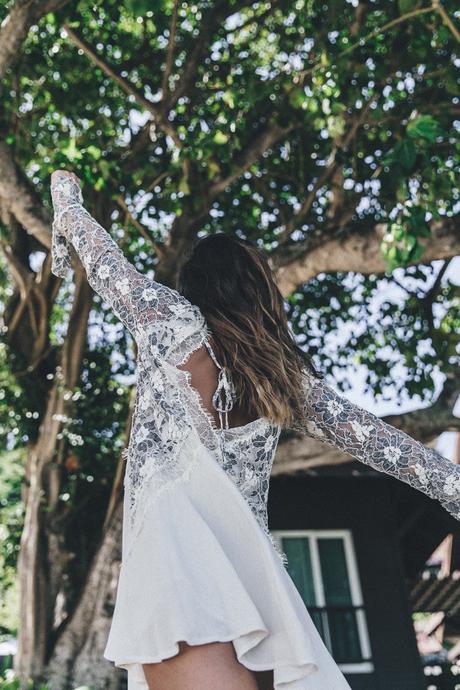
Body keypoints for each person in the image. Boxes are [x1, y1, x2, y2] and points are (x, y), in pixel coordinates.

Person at [50, 169, 460, 690]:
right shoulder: (285, 380)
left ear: (194, 287)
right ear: (259, 292)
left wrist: (67, 198)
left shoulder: (167, 319)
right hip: (258, 590)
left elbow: (104, 262)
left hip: (179, 573)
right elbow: (387, 446)